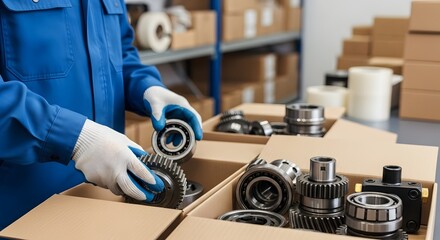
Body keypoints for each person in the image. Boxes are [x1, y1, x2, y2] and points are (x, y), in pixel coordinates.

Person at [0, 0, 203, 230]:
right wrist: (75, 138)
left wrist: (147, 87)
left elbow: (120, 52)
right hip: (23, 213)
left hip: (107, 201)